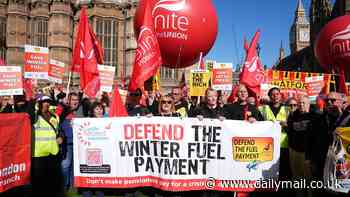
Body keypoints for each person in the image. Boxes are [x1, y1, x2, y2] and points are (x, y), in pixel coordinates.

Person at [31, 96, 64, 197]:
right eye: (44, 102)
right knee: (39, 182)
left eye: (48, 102)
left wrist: (61, 137)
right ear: (38, 103)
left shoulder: (54, 116)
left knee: (52, 180)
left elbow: (60, 130)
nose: (46, 104)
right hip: (38, 154)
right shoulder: (34, 116)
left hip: (53, 152)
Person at [287, 96, 313, 197]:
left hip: (307, 153)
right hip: (294, 151)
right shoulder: (293, 116)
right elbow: (290, 131)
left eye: (304, 103)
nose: (301, 105)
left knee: (310, 179)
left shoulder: (315, 116)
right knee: (297, 178)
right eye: (300, 103)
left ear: (308, 104)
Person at [56, 92, 82, 191]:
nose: (75, 102)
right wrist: (63, 105)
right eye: (73, 100)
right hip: (67, 143)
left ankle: (72, 185)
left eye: (77, 100)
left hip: (79, 143)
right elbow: (56, 116)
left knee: (75, 165)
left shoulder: (81, 110)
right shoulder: (64, 110)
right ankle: (64, 185)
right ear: (69, 101)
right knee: (66, 164)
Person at [82, 102, 106, 197]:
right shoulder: (87, 121)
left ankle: (99, 191)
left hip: (102, 152)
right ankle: (87, 191)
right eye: (97, 109)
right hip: (90, 152)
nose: (99, 111)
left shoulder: (106, 121)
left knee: (100, 172)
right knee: (90, 172)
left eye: (100, 109)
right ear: (92, 111)